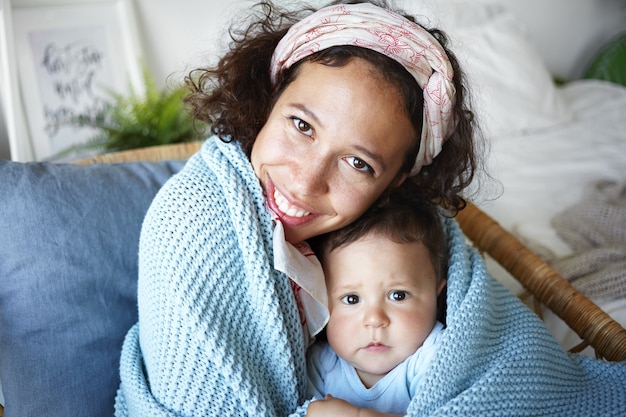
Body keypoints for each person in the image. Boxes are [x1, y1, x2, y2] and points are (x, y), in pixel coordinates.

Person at [115, 0, 626, 416]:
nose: (306, 180)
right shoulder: (193, 219)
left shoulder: (397, 229)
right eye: (301, 125)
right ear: (271, 97)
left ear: (396, 183)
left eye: (358, 163)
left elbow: (492, 362)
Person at [306, 193, 448, 416]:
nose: (375, 319)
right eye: (352, 299)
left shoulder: (436, 356)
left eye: (398, 295)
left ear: (436, 298)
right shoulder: (320, 364)